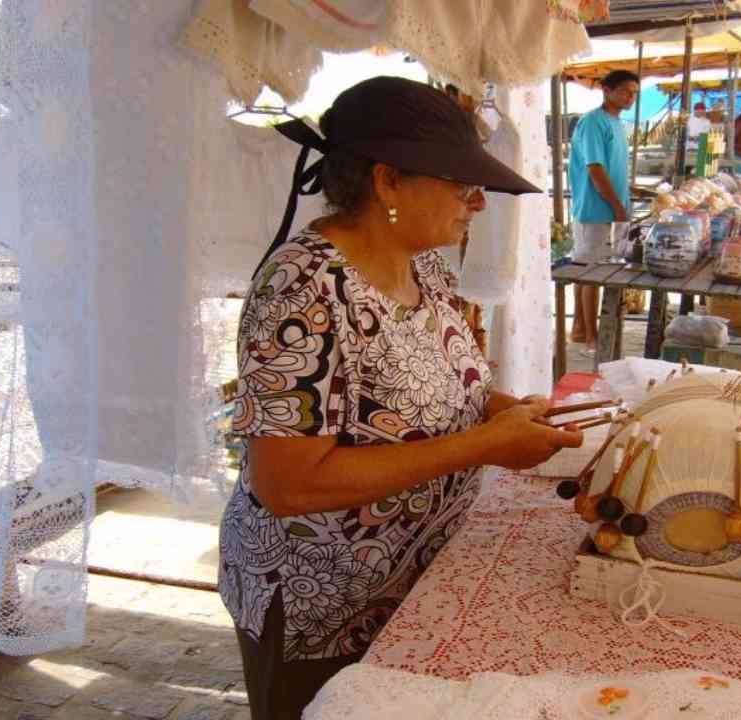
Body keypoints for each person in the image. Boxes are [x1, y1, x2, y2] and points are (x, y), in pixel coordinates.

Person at [220, 76, 584, 720]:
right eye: (460, 185)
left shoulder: (423, 266)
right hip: (320, 603)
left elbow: (450, 383)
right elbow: (289, 485)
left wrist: (506, 411)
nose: (477, 203)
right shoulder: (303, 289)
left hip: (411, 580)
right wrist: (482, 446)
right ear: (387, 181)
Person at [568, 69, 638, 355]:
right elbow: (595, 169)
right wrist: (617, 206)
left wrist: (626, 196)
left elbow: (614, 168)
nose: (630, 97)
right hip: (594, 209)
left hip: (612, 207)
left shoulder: (617, 123)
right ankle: (590, 337)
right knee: (590, 274)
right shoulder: (592, 122)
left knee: (593, 269)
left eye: (634, 93)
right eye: (625, 91)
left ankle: (580, 329)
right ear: (607, 91)